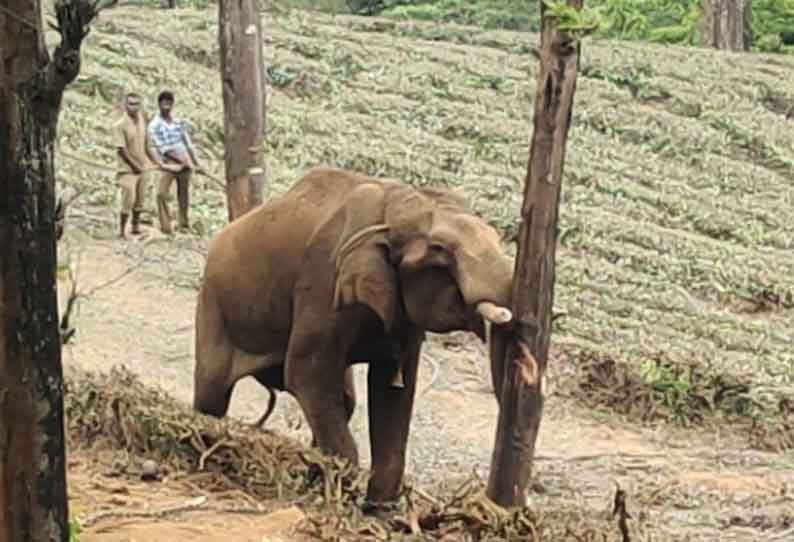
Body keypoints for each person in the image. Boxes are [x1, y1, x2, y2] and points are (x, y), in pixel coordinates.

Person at [147, 90, 204, 234]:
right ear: (159, 104)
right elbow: (163, 148)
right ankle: (166, 227)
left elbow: (188, 144)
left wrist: (196, 163)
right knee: (161, 193)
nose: (166, 105)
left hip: (184, 158)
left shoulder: (178, 123)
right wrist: (183, 162)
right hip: (170, 162)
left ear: (172, 104)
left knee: (183, 194)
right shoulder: (154, 125)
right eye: (164, 102)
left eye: (169, 102)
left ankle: (183, 225)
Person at [112, 92, 159, 238]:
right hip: (127, 169)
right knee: (128, 198)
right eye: (131, 104)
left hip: (143, 167)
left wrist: (156, 161)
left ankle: (135, 226)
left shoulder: (143, 122)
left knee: (140, 199)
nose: (134, 107)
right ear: (125, 105)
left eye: (137, 104)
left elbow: (147, 145)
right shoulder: (119, 125)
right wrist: (134, 166)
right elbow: (121, 150)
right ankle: (121, 230)